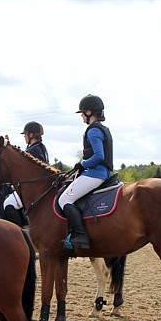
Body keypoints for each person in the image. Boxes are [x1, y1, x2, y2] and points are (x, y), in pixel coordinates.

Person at [58, 94, 113, 249]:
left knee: (64, 200)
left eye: (82, 113)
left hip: (95, 173)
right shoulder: (103, 129)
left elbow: (98, 155)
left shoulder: (93, 131)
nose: (82, 116)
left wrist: (82, 164)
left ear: (89, 112)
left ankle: (82, 235)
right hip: (99, 173)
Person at [0, 121, 49, 227]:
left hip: (33, 189)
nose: (24, 137)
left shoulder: (34, 150)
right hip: (38, 187)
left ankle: (21, 231)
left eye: (25, 135)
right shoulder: (39, 147)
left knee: (8, 204)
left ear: (31, 135)